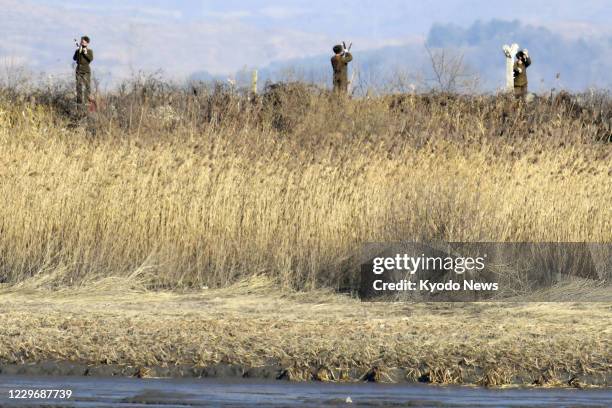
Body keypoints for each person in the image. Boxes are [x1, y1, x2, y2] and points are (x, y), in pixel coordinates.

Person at [73, 36, 94, 105]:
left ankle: (86, 102)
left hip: (86, 71)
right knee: (78, 87)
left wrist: (85, 53)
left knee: (87, 86)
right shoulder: (78, 50)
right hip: (78, 70)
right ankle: (79, 103)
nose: (82, 43)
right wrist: (78, 52)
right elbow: (74, 58)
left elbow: (90, 59)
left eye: (84, 42)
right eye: (81, 42)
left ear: (87, 43)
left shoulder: (89, 51)